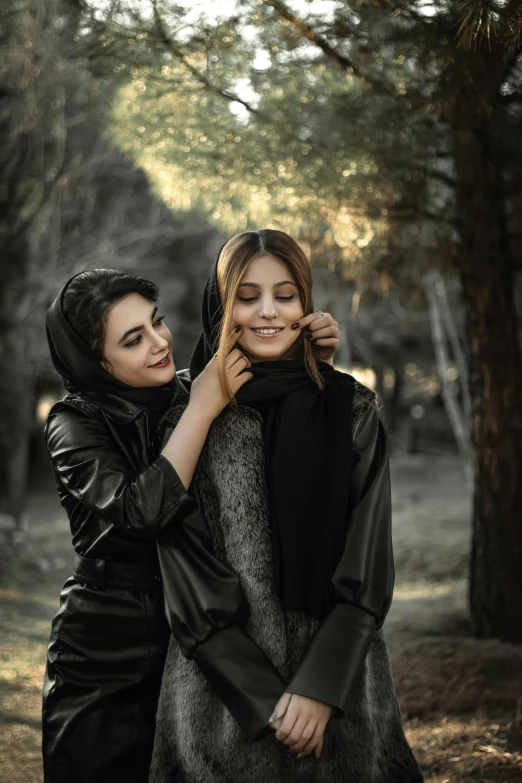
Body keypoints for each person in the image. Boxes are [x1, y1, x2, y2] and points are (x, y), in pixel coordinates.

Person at [42, 268, 340, 783]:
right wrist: (200, 409)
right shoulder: (74, 421)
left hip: (196, 646)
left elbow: (274, 407)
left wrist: (311, 355)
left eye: (157, 323)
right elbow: (139, 512)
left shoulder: (189, 389)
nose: (160, 343)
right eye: (133, 339)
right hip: (103, 652)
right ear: (94, 359)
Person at [150, 230, 423, 783]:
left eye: (286, 294)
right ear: (221, 303)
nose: (268, 311)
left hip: (343, 693)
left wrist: (320, 690)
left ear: (307, 303)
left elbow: (366, 569)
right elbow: (186, 573)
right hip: (218, 704)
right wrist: (264, 701)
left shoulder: (352, 408)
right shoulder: (189, 414)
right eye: (247, 297)